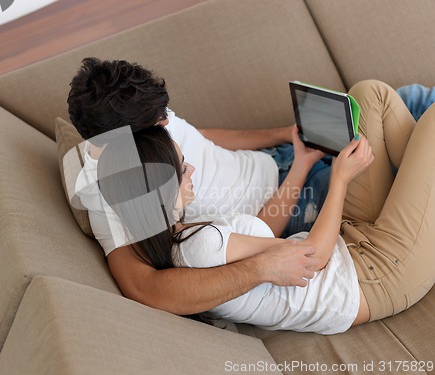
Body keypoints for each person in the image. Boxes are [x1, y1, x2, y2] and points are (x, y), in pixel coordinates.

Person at [97, 79, 435, 332]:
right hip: (378, 274)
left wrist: (301, 162)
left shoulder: (182, 236)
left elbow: (262, 231)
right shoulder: (200, 245)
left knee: (370, 95)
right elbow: (312, 259)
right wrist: (340, 180)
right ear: (160, 194)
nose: (193, 170)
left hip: (351, 245)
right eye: (183, 169)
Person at [68, 58, 327, 314]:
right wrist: (260, 268)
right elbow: (146, 289)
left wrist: (287, 135)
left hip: (281, 156)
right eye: (158, 121)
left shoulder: (142, 116)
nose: (167, 121)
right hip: (295, 199)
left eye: (164, 112)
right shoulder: (110, 200)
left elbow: (202, 138)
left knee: (362, 102)